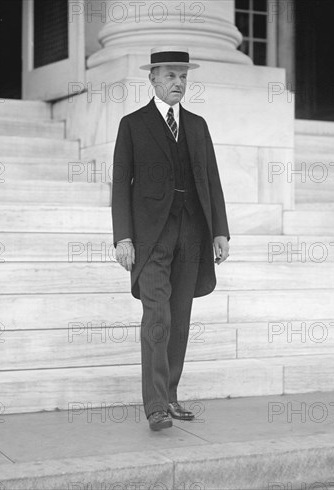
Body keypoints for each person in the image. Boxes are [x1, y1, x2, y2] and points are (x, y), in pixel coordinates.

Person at [111, 47, 230, 431]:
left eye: (183, 77)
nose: (178, 83)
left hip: (192, 234)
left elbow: (212, 180)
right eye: (170, 76)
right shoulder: (133, 124)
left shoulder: (197, 125)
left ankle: (172, 396)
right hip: (149, 237)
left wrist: (220, 231)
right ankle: (156, 405)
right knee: (157, 316)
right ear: (152, 79)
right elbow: (120, 186)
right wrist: (123, 237)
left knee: (179, 319)